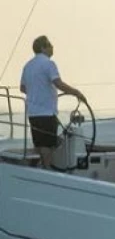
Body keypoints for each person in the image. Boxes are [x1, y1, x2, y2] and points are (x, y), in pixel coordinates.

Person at [20, 35, 86, 169]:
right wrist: (76, 92)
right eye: (50, 45)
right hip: (47, 112)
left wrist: (37, 93)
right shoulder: (48, 64)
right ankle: (47, 170)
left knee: (39, 143)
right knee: (48, 145)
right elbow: (58, 83)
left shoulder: (28, 65)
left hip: (33, 113)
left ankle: (39, 168)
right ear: (43, 48)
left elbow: (22, 88)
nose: (52, 47)